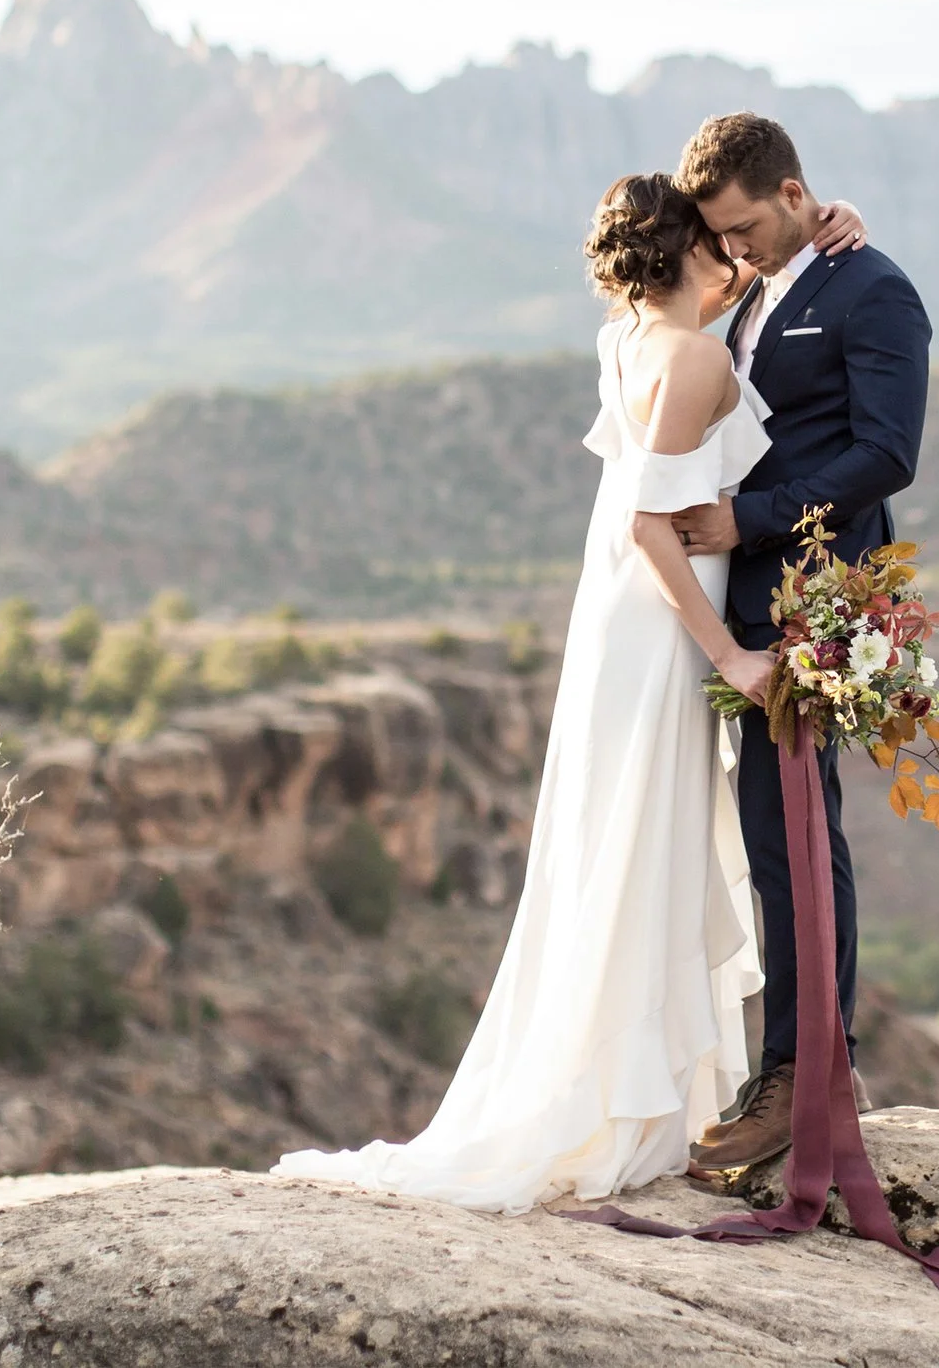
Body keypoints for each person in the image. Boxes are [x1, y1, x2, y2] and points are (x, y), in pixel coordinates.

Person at [270, 175, 867, 1212]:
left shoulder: (635, 339)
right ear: (686, 247)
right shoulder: (685, 356)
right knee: (640, 845)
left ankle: (636, 1102)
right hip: (665, 628)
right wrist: (728, 652)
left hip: (623, 627)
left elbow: (700, 328)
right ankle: (617, 1109)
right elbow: (649, 524)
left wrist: (824, 230)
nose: (733, 250)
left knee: (631, 846)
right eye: (715, 236)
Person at [667, 113, 934, 1177]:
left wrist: (752, 517)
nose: (734, 249)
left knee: (795, 839)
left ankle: (808, 1073)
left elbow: (887, 450)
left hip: (806, 604)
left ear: (790, 192)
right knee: (769, 837)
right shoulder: (757, 282)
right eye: (718, 235)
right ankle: (789, 1060)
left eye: (744, 228)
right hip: (735, 609)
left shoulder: (873, 290)